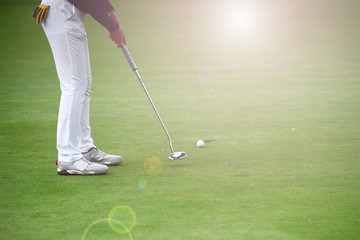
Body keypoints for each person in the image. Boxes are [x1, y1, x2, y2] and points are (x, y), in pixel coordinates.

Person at [33, 0, 127, 175]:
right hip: (61, 14)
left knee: (83, 83)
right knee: (73, 86)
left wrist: (109, 10)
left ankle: (84, 147)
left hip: (70, 14)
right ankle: (68, 157)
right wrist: (112, 27)